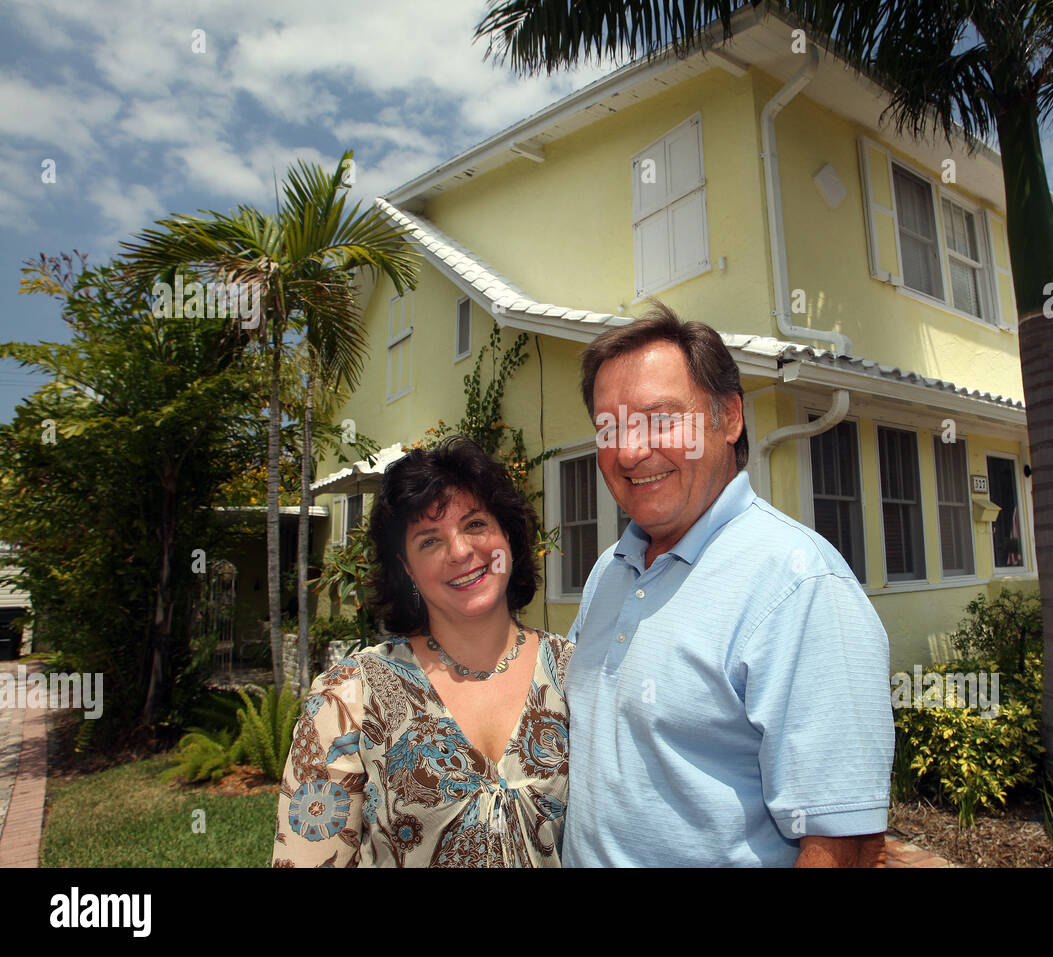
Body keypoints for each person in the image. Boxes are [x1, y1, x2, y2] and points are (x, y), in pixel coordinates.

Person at [563, 302, 894, 867]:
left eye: (659, 418)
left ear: (730, 417)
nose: (629, 451)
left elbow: (844, 844)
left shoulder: (798, 584)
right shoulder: (609, 572)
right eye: (609, 428)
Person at [273, 435, 573, 867]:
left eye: (475, 524)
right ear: (407, 569)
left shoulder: (576, 675)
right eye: (429, 540)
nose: (460, 551)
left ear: (507, 534)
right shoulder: (350, 698)